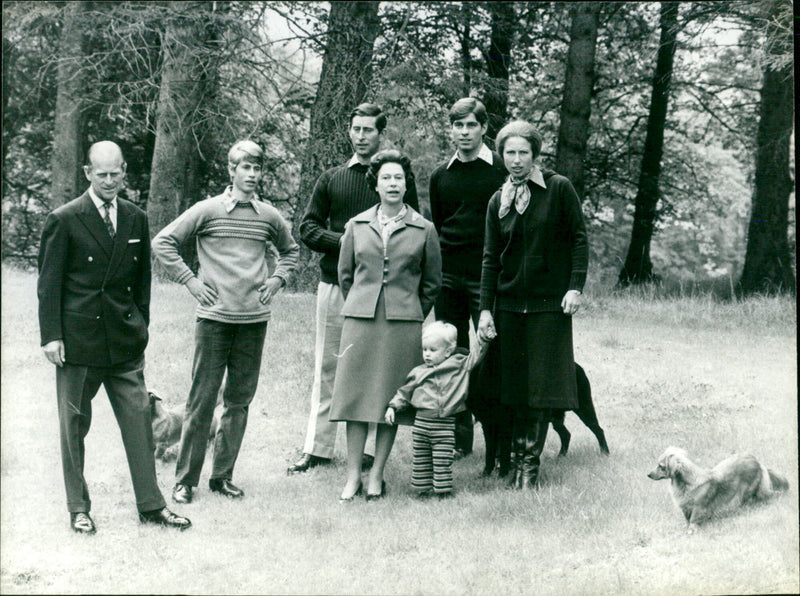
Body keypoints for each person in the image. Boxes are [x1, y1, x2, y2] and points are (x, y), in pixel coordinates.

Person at [37, 140, 191, 533]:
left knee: (140, 421)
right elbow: (49, 284)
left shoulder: (136, 217)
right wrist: (52, 336)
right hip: (78, 343)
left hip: (123, 342)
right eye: (101, 174)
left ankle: (152, 506)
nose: (109, 181)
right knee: (73, 426)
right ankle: (79, 509)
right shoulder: (65, 218)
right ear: (87, 173)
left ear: (124, 171)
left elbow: (141, 285)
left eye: (115, 173)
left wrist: (141, 327)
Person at [152, 140, 299, 504]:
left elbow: (291, 252)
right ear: (230, 170)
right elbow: (164, 242)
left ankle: (222, 477)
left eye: (257, 168)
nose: (251, 174)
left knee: (238, 401)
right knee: (201, 401)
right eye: (244, 167)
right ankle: (185, 481)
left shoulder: (268, 216)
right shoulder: (208, 210)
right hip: (214, 320)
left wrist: (277, 279)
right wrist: (191, 281)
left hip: (253, 320)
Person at [287, 103, 420, 474]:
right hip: (336, 285)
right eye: (356, 129)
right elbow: (308, 229)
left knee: (373, 370)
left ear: (381, 134)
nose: (362, 136)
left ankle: (366, 452)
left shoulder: (395, 177)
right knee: (328, 365)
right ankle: (317, 447)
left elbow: (417, 231)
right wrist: (348, 240)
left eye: (369, 130)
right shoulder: (332, 178)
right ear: (349, 132)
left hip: (383, 294)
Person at [477, 120, 588, 489]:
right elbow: (491, 258)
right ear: (501, 154)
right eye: (509, 152)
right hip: (508, 307)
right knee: (511, 387)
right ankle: (511, 463)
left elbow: (578, 241)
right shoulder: (498, 199)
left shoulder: (558, 189)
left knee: (539, 389)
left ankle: (529, 468)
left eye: (524, 152)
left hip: (547, 307)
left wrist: (575, 287)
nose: (516, 160)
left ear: (535, 155)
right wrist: (485, 309)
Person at [329, 149, 441, 501]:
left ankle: (376, 474)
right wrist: (363, 304)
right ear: (375, 185)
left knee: (390, 399)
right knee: (356, 399)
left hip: (402, 325)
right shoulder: (356, 226)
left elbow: (431, 284)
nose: (393, 184)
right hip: (360, 322)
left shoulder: (424, 229)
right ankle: (352, 478)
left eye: (399, 178)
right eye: (386, 178)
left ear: (407, 185)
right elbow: (346, 276)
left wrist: (408, 310)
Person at [429, 97, 508, 458]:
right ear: (451, 129)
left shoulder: (500, 173)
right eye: (458, 125)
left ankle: (501, 438)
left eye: (471, 125)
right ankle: (458, 440)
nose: (464, 132)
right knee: (451, 356)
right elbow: (442, 226)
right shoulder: (440, 176)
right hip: (449, 279)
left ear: (484, 128)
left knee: (495, 355)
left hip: (487, 279)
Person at [384, 321, 493, 499]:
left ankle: (443, 491)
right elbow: (404, 392)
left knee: (442, 459)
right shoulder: (418, 372)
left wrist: (483, 340)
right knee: (422, 459)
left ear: (448, 351)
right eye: (424, 350)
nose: (427, 355)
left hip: (445, 425)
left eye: (433, 350)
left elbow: (476, 356)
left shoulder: (459, 365)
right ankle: (422, 490)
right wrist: (392, 407)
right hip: (421, 424)